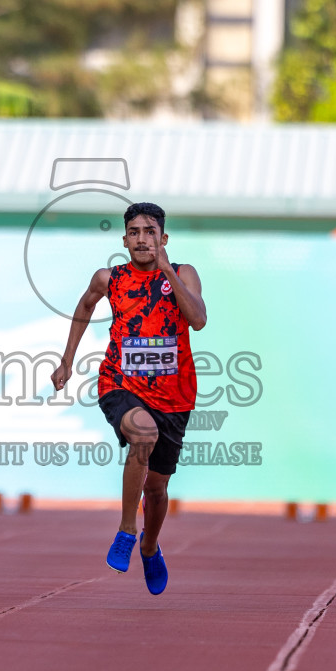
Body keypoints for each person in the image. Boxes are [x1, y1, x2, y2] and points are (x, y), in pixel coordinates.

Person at [50, 202, 206, 595]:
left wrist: (168, 270)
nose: (141, 239)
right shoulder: (109, 278)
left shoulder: (184, 273)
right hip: (120, 383)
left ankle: (150, 546)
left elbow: (199, 320)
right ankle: (125, 529)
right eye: (134, 232)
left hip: (175, 395)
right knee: (142, 434)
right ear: (124, 239)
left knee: (157, 487)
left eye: (149, 232)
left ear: (163, 239)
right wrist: (66, 361)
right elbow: (85, 307)